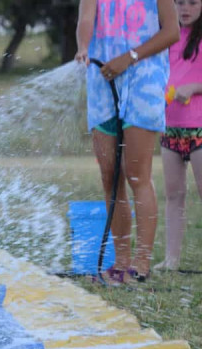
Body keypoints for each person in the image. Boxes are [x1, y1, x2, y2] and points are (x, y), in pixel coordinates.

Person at [76, 0, 180, 284]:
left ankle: (141, 263)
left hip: (143, 80)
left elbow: (172, 31)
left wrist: (130, 57)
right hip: (101, 78)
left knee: (136, 174)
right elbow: (86, 19)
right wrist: (83, 48)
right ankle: (120, 261)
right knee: (109, 176)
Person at [155, 0, 202, 270]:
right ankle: (171, 260)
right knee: (173, 195)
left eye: (193, 3)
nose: (185, 8)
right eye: (180, 3)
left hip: (199, 127)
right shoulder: (168, 35)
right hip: (170, 125)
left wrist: (195, 87)